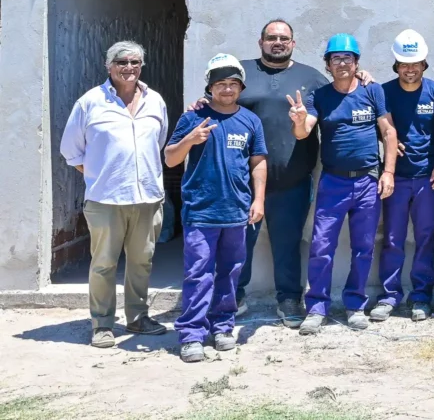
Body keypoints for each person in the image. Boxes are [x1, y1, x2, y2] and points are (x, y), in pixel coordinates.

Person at [59, 41, 170, 348]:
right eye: (122, 62)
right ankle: (102, 324)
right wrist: (99, 176)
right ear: (108, 66)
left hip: (147, 197)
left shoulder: (155, 101)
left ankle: (137, 317)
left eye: (135, 62)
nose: (129, 68)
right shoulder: (90, 102)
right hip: (105, 200)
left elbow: (158, 143)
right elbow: (71, 152)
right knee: (104, 263)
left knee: (141, 262)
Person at [165, 54, 268, 363]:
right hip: (200, 211)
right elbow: (170, 158)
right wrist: (191, 140)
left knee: (230, 272)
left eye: (233, 84)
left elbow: (258, 163)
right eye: (220, 84)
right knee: (198, 273)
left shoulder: (250, 121)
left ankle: (223, 327)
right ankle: (192, 334)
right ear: (210, 87)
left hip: (236, 212)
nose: (226, 89)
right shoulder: (193, 118)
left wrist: (259, 199)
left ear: (241, 87)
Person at [292, 34, 398, 333]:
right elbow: (303, 133)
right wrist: (299, 120)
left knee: (363, 247)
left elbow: (389, 133)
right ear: (327, 64)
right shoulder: (320, 97)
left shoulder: (372, 91)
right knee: (321, 246)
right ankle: (316, 308)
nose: (342, 63)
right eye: (336, 58)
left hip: (367, 181)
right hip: (333, 182)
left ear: (356, 63)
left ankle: (355, 305)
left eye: (347, 58)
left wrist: (388, 172)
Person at [232, 19, 328, 327]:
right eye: (271, 38)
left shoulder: (311, 78)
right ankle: (233, 298)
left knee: (287, 244)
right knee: (239, 243)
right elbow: (216, 99)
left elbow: (341, 95)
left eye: (283, 38)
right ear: (260, 42)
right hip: (242, 183)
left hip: (293, 180)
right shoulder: (241, 72)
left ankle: (289, 299)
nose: (278, 42)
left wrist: (363, 77)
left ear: (293, 43)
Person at [371, 30, 434, 323]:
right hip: (396, 179)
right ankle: (389, 296)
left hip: (428, 178)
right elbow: (375, 122)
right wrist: (386, 138)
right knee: (392, 238)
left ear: (424, 63)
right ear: (396, 64)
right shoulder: (384, 92)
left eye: (415, 63)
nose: (410, 69)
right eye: (404, 63)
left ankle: (421, 297)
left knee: (426, 238)